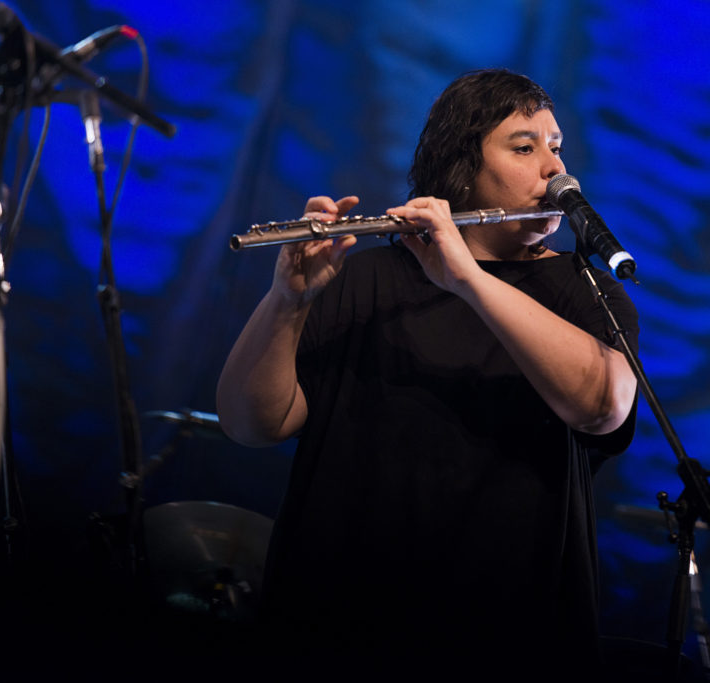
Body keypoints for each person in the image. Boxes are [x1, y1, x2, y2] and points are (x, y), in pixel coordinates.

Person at [217, 69, 639, 668]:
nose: (555, 170)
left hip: (505, 630)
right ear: (462, 167)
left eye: (557, 147)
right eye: (525, 147)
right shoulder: (367, 278)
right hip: (338, 616)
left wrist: (467, 279)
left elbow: (603, 407)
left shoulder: (587, 290)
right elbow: (251, 423)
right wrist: (286, 300)